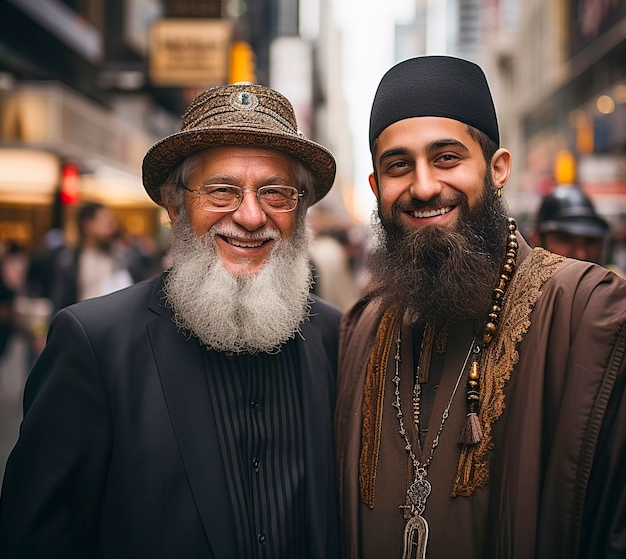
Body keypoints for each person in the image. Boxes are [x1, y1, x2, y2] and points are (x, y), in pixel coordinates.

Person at [0, 83, 342, 559]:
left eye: (276, 193)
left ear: (299, 211)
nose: (249, 215)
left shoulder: (334, 337)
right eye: (222, 190)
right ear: (176, 204)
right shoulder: (95, 344)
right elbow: (35, 539)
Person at [334, 56, 626, 559]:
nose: (423, 187)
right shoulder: (361, 327)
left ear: (497, 168)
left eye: (447, 158)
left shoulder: (589, 313)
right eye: (399, 165)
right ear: (376, 187)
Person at [49, 202, 136, 314]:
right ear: (87, 225)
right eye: (104, 221)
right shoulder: (68, 261)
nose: (111, 227)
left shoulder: (122, 259)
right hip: (80, 322)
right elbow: (60, 301)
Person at [532, 183, 610, 265]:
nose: (581, 255)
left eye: (590, 241)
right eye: (565, 239)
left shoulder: (614, 276)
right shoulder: (522, 277)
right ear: (537, 241)